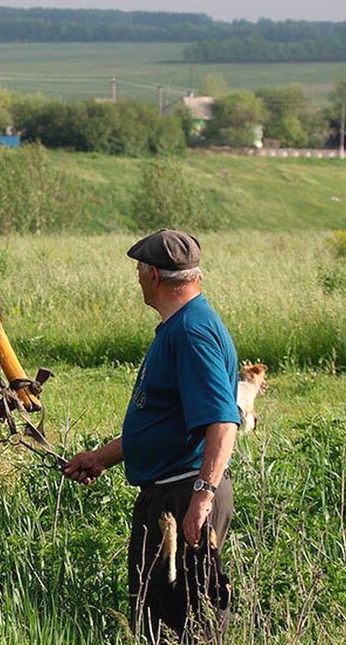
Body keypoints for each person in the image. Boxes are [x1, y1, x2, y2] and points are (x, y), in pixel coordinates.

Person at [62, 229, 240, 642]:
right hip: (170, 492)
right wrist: (102, 457)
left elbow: (222, 422)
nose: (137, 278)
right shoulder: (180, 326)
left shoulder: (192, 334)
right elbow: (167, 420)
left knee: (187, 623)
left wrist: (202, 496)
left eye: (140, 270)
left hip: (184, 495)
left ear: (155, 274)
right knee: (152, 615)